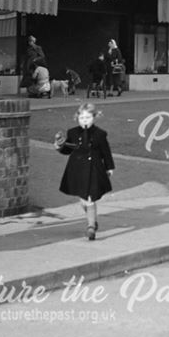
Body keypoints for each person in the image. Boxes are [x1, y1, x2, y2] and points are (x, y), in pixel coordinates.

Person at [54, 103, 115, 240]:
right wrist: (59, 146)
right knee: (83, 199)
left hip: (94, 169)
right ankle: (92, 218)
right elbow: (68, 149)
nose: (84, 120)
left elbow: (106, 152)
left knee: (90, 198)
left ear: (94, 117)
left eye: (87, 117)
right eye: (82, 118)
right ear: (77, 118)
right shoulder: (72, 133)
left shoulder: (100, 134)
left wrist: (109, 167)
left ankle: (91, 227)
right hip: (77, 169)